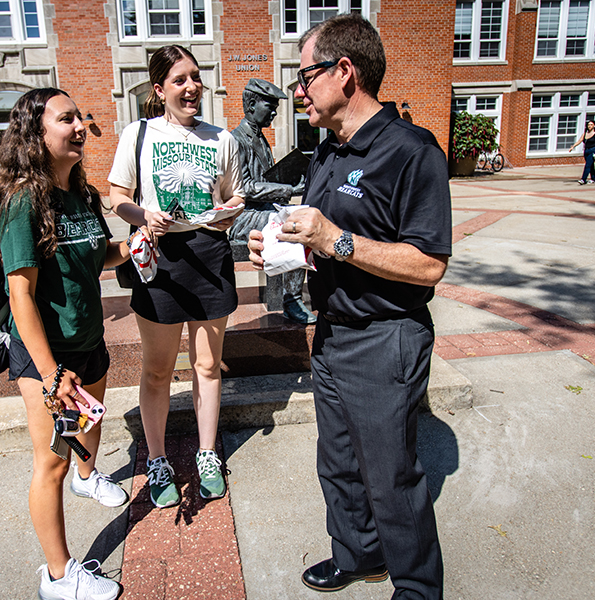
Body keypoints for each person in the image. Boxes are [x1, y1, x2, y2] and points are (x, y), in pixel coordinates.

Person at [247, 15, 451, 599]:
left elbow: (429, 263)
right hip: (332, 332)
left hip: (386, 337)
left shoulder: (411, 151)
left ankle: (417, 587)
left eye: (305, 75)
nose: (298, 90)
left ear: (345, 72)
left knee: (391, 479)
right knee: (337, 464)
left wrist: (336, 239)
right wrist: (279, 247)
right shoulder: (328, 152)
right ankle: (358, 554)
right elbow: (317, 238)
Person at [0, 88, 130, 600]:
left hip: (88, 339)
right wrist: (49, 376)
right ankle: (59, 575)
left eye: (80, 117)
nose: (80, 126)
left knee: (90, 425)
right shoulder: (24, 200)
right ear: (35, 133)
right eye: (67, 119)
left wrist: (129, 248)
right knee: (51, 462)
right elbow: (19, 295)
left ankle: (88, 477)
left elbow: (97, 253)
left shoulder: (82, 195)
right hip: (46, 356)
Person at [108, 45, 244, 508]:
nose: (192, 88)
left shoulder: (222, 139)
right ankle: (158, 459)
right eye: (180, 80)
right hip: (160, 260)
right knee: (158, 369)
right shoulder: (138, 133)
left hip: (209, 255)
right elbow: (116, 197)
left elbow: (231, 198)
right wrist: (143, 215)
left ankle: (208, 454)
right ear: (159, 88)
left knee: (207, 366)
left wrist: (229, 212)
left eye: (196, 77)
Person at [228, 78, 315, 324]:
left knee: (302, 216)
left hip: (262, 208)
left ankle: (297, 293)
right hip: (243, 215)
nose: (275, 112)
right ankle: (291, 300)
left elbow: (264, 178)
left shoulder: (261, 138)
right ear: (252, 105)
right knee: (291, 227)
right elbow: (244, 187)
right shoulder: (237, 139)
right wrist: (287, 189)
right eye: (271, 106)